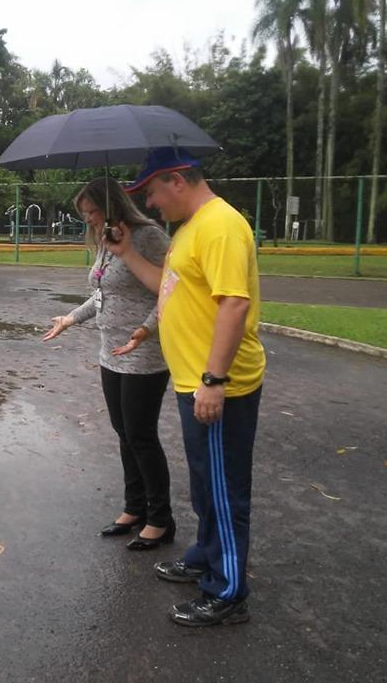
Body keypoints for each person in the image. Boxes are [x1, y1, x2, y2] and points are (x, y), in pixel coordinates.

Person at [108, 147, 266, 626]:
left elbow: (234, 305)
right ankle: (204, 554)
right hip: (194, 381)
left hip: (219, 385)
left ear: (177, 180)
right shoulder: (190, 229)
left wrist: (215, 380)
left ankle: (228, 591)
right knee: (205, 480)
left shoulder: (220, 226)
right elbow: (169, 288)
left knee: (223, 488)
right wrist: (127, 253)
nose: (151, 204)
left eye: (152, 192)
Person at [43, 177, 175, 550]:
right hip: (110, 352)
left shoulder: (147, 236)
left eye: (92, 211)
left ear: (112, 203)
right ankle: (134, 508)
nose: (87, 219)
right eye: (83, 214)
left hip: (143, 354)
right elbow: (102, 293)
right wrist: (71, 318)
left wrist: (145, 331)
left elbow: (171, 290)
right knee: (124, 432)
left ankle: (161, 519)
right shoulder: (106, 238)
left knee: (141, 435)